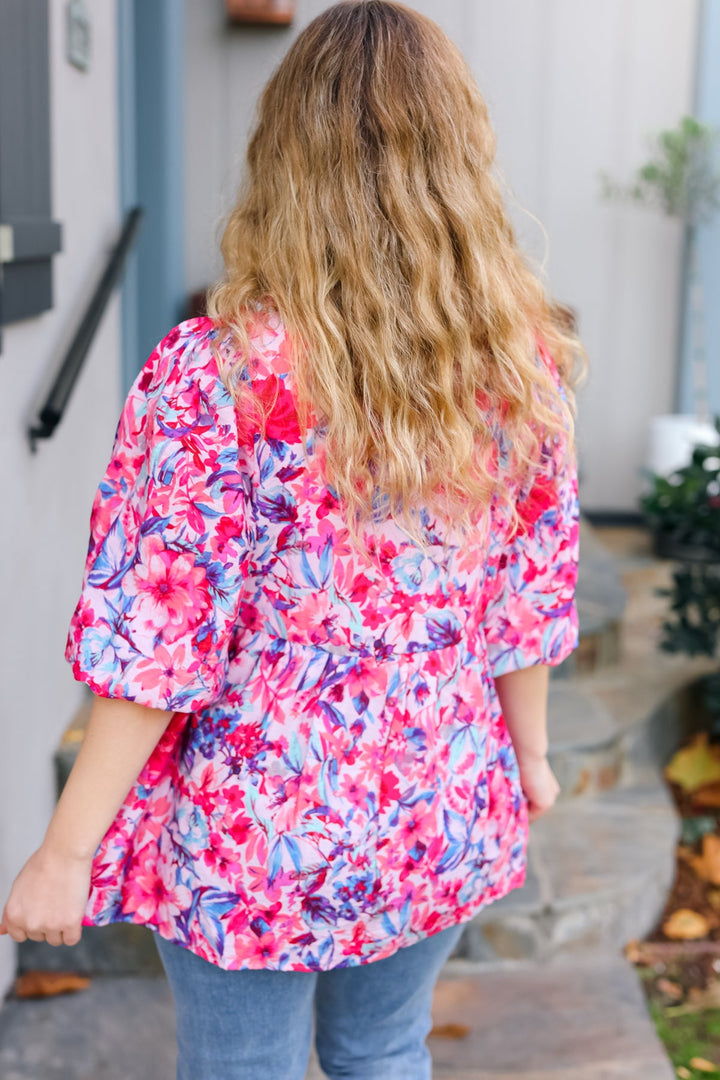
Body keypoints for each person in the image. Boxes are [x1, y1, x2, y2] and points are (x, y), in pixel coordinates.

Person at [0, 2, 585, 1077]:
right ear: (460, 160)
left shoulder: (216, 377)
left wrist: (63, 852)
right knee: (384, 1050)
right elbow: (528, 598)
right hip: (438, 795)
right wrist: (532, 761)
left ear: (284, 158)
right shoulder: (517, 374)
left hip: (259, 829)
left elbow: (155, 643)